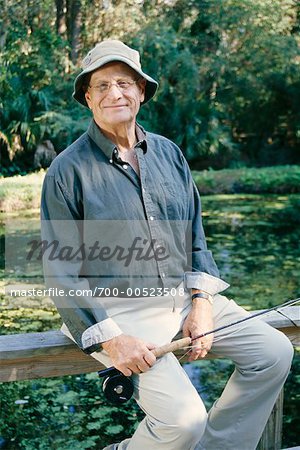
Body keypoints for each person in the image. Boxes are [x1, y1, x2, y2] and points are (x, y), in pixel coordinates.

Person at [41, 39, 293, 450]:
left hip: (183, 298)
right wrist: (111, 339)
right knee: (183, 422)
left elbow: (196, 235)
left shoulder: (170, 154)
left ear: (141, 91)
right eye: (101, 85)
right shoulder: (66, 171)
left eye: (124, 83)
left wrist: (203, 302)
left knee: (274, 352)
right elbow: (60, 272)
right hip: (118, 313)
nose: (114, 93)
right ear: (87, 97)